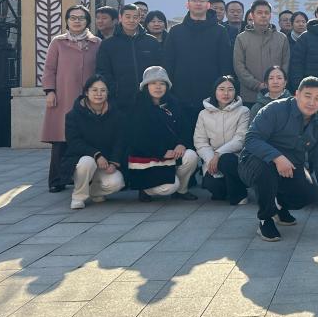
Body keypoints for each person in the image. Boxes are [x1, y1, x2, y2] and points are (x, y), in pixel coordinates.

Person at [239, 76, 318, 242]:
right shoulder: (275, 109)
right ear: (297, 94)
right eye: (307, 96)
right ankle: (265, 219)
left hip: (290, 167)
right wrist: (277, 157)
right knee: (266, 171)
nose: (312, 102)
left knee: (309, 194)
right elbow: (251, 139)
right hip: (255, 162)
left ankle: (278, 206)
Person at [42, 5, 102, 192]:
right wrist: (50, 91)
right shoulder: (58, 42)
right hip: (63, 96)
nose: (77, 21)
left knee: (88, 137)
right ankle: (57, 180)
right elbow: (49, 69)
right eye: (73, 18)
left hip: (90, 99)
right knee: (61, 139)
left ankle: (86, 178)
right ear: (67, 21)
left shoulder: (96, 43)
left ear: (87, 21)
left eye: (81, 18)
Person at [126, 66, 199, 201]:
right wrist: (161, 152)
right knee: (169, 187)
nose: (158, 87)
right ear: (146, 86)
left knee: (191, 156)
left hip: (172, 153)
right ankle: (146, 189)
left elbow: (185, 128)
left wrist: (182, 144)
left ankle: (181, 190)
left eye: (162, 83)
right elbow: (137, 139)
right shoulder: (137, 106)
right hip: (149, 157)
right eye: (153, 83)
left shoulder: (174, 103)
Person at [163, 0, 234, 124]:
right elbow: (168, 62)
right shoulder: (176, 31)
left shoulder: (220, 31)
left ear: (208, 5)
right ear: (187, 4)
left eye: (202, 0)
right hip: (180, 95)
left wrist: (223, 90)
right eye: (194, 0)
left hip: (211, 96)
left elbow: (225, 63)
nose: (198, 3)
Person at [63, 75, 126, 210]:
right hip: (80, 160)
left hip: (106, 162)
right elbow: (74, 142)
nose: (99, 94)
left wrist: (114, 162)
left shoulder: (117, 115)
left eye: (103, 90)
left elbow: (120, 141)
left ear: (107, 93)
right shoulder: (73, 115)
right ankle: (78, 196)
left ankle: (93, 191)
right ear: (86, 92)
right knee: (87, 161)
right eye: (94, 90)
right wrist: (96, 154)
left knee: (117, 182)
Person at [95, 3, 163, 113]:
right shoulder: (108, 44)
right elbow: (102, 71)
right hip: (118, 102)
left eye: (135, 17)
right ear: (120, 18)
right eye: (128, 17)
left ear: (139, 18)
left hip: (148, 100)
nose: (131, 20)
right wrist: (114, 90)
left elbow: (159, 70)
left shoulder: (152, 42)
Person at [194, 75, 250, 205]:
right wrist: (211, 160)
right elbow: (200, 142)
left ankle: (240, 195)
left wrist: (218, 154)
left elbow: (240, 139)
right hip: (212, 160)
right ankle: (228, 189)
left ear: (235, 92)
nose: (226, 93)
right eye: (221, 89)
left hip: (235, 158)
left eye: (230, 89)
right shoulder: (203, 114)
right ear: (214, 91)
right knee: (214, 188)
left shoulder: (243, 111)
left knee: (226, 159)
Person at [234, 0, 291, 106]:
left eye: (266, 13)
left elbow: (286, 63)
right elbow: (239, 66)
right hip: (250, 96)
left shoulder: (281, 38)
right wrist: (257, 85)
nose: (263, 15)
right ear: (252, 15)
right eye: (259, 13)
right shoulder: (242, 38)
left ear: (270, 15)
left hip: (277, 95)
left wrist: (275, 83)